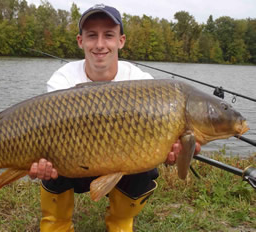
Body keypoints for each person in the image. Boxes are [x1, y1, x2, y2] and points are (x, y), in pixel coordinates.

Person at [29, 4, 201, 232]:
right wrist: (34, 163)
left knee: (146, 164)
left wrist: (172, 151)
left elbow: (171, 143)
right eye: (92, 36)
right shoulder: (63, 80)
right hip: (74, 165)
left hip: (122, 165)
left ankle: (120, 224)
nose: (100, 44)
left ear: (121, 41)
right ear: (81, 41)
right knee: (53, 151)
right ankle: (56, 225)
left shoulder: (141, 81)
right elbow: (44, 130)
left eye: (108, 35)